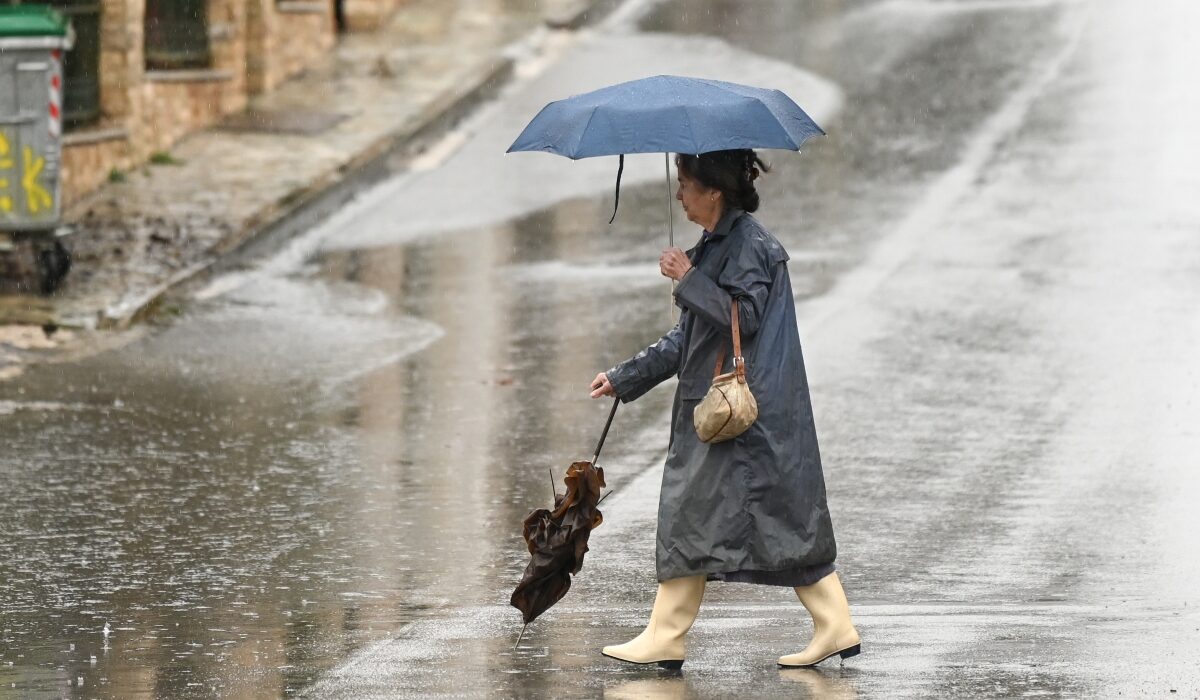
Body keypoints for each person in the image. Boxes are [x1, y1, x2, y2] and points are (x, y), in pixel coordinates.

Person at [589, 149, 860, 669]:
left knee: (730, 516)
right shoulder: (717, 244)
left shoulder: (750, 246)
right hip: (728, 413)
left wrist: (689, 277)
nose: (679, 194)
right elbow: (688, 340)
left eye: (685, 183)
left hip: (746, 416)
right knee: (742, 518)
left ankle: (670, 636)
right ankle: (833, 624)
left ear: (713, 190)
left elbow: (745, 319)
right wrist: (625, 377)